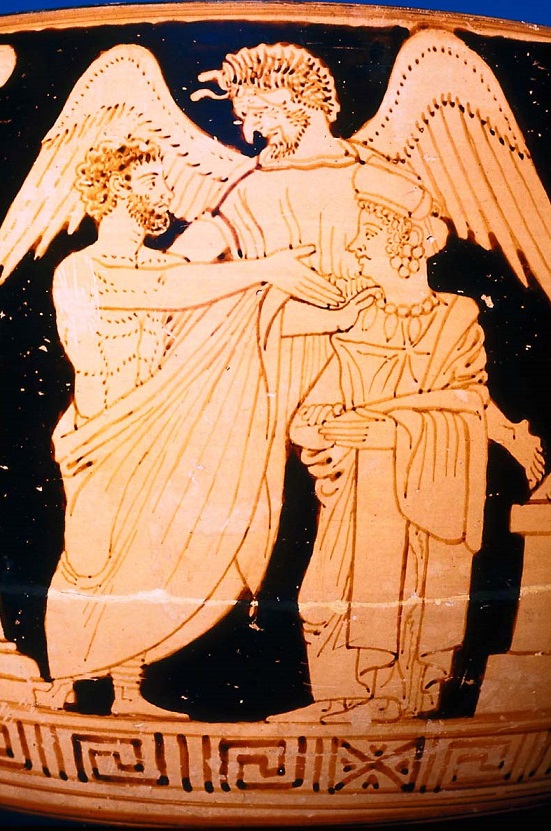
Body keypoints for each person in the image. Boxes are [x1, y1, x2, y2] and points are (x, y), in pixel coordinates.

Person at [40, 136, 370, 715]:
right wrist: (266, 269)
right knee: (91, 558)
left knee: (146, 560)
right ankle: (69, 677)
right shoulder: (80, 269)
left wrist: (334, 316)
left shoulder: (169, 264)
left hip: (159, 431)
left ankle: (127, 689)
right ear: (114, 190)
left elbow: (240, 316)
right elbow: (161, 292)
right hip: (103, 433)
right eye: (151, 182)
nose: (165, 192)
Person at [267, 157, 539, 725]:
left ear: (404, 246)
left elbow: (467, 400)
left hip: (425, 483)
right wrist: (320, 430)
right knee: (324, 592)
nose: (355, 250)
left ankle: (396, 695)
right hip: (356, 490)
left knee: (411, 585)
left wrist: (391, 428)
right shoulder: (359, 321)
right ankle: (343, 698)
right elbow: (311, 411)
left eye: (366, 239)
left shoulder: (456, 318)